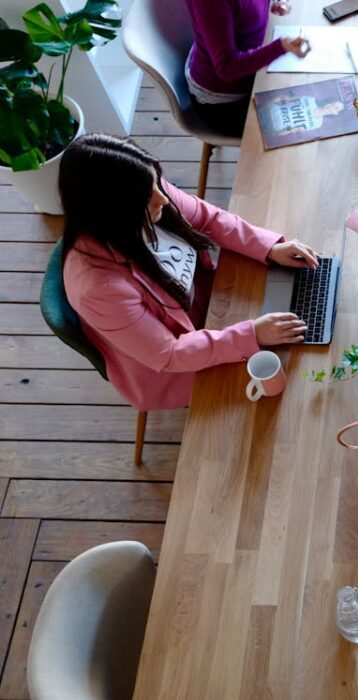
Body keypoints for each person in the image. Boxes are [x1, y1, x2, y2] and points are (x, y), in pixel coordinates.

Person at [60, 133, 319, 412]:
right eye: (150, 196)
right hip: (174, 366)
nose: (164, 198)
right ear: (113, 211)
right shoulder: (98, 289)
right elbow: (169, 354)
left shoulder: (143, 191)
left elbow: (208, 218)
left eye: (157, 182)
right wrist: (251, 334)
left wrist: (269, 247)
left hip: (212, 306)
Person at [184, 0, 310, 137]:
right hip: (226, 104)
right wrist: (280, 47)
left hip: (253, 71)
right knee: (299, 133)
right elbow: (226, 67)